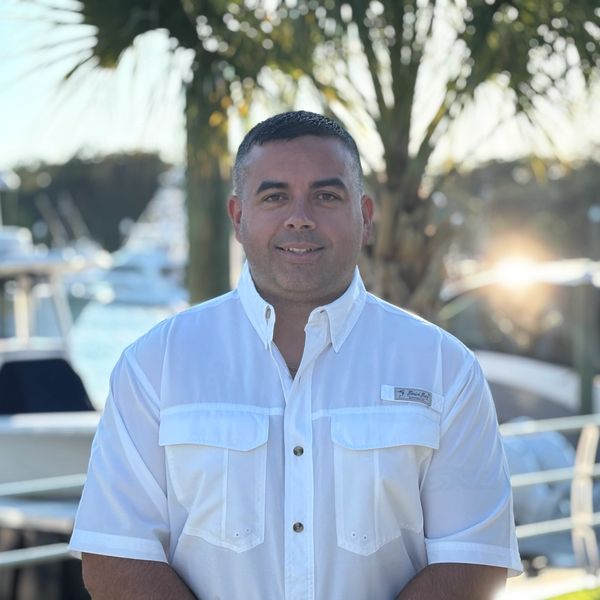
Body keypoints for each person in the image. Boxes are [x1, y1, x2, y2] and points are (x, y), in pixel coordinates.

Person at [70, 111, 522, 599]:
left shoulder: (443, 368)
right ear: (239, 218)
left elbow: (471, 560)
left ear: (365, 217)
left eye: (326, 196)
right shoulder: (153, 366)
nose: (300, 216)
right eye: (274, 196)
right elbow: (115, 556)